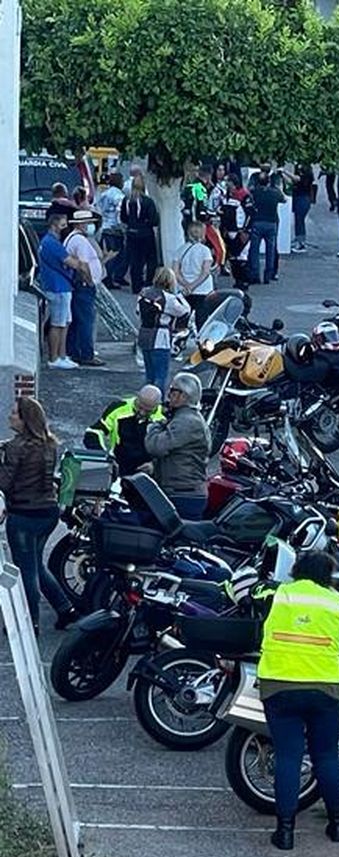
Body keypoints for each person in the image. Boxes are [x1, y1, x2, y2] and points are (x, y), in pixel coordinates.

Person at [256, 550, 339, 851]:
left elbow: (248, 593)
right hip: (326, 689)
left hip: (279, 687)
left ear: (296, 570)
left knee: (288, 757)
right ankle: (338, 825)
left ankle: (285, 833)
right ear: (327, 575)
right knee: (326, 756)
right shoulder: (337, 601)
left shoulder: (277, 593)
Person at [0, 397, 75, 629]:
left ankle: (29, 622)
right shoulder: (49, 444)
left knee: (26, 572)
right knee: (35, 565)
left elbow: (4, 483)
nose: (10, 416)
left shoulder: (15, 448)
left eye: (14, 413)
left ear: (25, 420)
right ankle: (65, 608)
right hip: (47, 512)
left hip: (23, 515)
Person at [144, 373, 211, 518]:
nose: (169, 395)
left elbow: (155, 446)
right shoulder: (182, 417)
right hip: (181, 490)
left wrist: (155, 425)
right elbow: (177, 453)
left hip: (184, 494)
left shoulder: (187, 421)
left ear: (183, 396)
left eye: (173, 390)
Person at [88, 385, 162, 477]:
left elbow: (174, 450)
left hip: (148, 471)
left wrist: (155, 464)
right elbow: (94, 432)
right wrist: (105, 458)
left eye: (148, 411)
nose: (142, 413)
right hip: (119, 465)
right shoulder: (118, 408)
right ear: (137, 397)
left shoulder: (164, 417)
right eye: (139, 407)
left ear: (157, 405)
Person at [62, 210, 105, 367]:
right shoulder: (79, 241)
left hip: (79, 285)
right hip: (84, 285)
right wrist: (89, 281)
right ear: (81, 224)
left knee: (77, 319)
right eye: (88, 223)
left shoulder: (73, 239)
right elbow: (84, 264)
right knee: (86, 320)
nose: (90, 226)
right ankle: (86, 354)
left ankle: (74, 351)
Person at [135, 267, 190, 390]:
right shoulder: (168, 298)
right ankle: (158, 403)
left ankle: (147, 399)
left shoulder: (144, 293)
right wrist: (180, 296)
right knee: (161, 376)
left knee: (149, 375)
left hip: (144, 335)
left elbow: (138, 311)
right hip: (160, 338)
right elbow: (184, 311)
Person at [119, 175, 161, 291]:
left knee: (135, 261)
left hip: (132, 233)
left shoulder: (127, 200)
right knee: (151, 260)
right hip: (146, 234)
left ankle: (136, 286)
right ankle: (148, 283)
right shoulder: (148, 201)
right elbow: (154, 220)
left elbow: (123, 217)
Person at [248, 169, 285, 285]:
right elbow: (283, 199)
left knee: (254, 249)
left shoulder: (255, 192)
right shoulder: (274, 192)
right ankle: (268, 274)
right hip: (271, 222)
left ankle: (255, 273)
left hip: (257, 221)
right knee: (271, 250)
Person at [173, 221, 216, 297]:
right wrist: (192, 286)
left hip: (184, 289)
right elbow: (205, 272)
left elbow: (176, 272)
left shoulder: (179, 250)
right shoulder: (205, 250)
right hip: (203, 289)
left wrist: (187, 285)